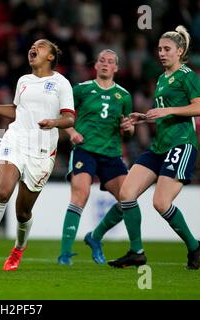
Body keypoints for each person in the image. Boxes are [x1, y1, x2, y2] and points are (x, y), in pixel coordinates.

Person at [0, 39, 75, 271]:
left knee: (23, 211)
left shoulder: (61, 83)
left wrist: (54, 122)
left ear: (50, 57)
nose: (33, 48)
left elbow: (70, 118)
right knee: (3, 191)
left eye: (40, 46)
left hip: (42, 150)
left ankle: (18, 248)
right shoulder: (23, 81)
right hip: (16, 140)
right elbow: (17, 111)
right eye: (32, 46)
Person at [109, 25, 200, 269]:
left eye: (167, 49)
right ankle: (136, 252)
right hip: (159, 146)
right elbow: (165, 114)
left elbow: (199, 108)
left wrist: (168, 110)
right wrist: (145, 117)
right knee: (127, 194)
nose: (161, 53)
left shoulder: (188, 75)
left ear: (180, 51)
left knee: (161, 203)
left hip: (181, 145)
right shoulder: (162, 79)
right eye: (160, 49)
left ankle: (195, 247)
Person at [57, 49, 134, 266]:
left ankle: (95, 236)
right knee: (80, 195)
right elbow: (62, 116)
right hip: (85, 150)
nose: (105, 64)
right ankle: (65, 254)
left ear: (116, 68)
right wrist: (72, 133)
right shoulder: (81, 89)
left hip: (111, 154)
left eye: (110, 62)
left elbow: (128, 131)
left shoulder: (124, 96)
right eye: (102, 60)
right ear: (96, 65)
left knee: (128, 200)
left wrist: (128, 128)